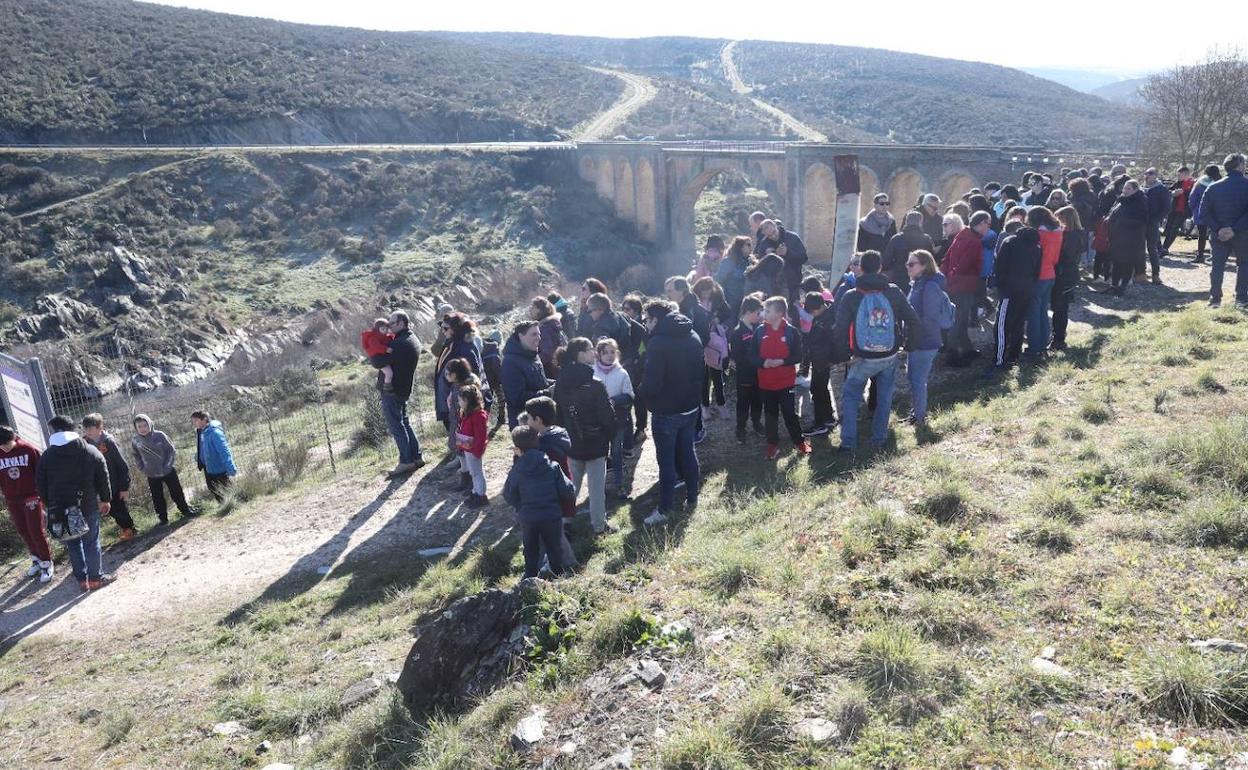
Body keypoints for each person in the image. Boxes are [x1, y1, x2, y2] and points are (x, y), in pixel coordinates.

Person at [832, 251, 919, 452]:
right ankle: (879, 439)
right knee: (885, 396)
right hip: (889, 354)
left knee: (851, 396)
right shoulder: (894, 292)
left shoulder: (851, 295)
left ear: (861, 268)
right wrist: (908, 345)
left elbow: (840, 328)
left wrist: (845, 355)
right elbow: (913, 320)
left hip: (862, 356)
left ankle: (848, 443)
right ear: (880, 267)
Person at [637, 300, 702, 526]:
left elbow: (653, 383)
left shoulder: (658, 343)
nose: (645, 325)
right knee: (688, 451)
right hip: (691, 406)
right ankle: (693, 498)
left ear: (655, 319)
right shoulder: (692, 334)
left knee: (666, 462)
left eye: (647, 320)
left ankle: (664, 509)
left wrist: (641, 393)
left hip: (667, 411)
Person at [37, 415, 112, 591]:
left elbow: (40, 484)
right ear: (73, 428)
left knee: (72, 544)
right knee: (91, 542)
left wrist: (49, 505)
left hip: (60, 509)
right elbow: (103, 475)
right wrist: (105, 498)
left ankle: (82, 580)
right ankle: (96, 578)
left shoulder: (47, 456)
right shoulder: (89, 450)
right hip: (87, 504)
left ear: (54, 431)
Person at [554, 338, 616, 536]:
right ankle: (599, 526)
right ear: (580, 354)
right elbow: (607, 417)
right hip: (596, 443)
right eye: (590, 349)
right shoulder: (595, 385)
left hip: (571, 443)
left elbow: (558, 417)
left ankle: (564, 522)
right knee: (596, 489)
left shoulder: (560, 384)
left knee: (571, 486)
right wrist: (611, 436)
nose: (594, 353)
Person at [503, 425, 574, 579]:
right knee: (554, 549)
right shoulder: (552, 466)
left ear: (518, 448)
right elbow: (568, 490)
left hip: (528, 518)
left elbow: (508, 494)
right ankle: (558, 576)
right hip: (552, 516)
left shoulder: (517, 471)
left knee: (530, 551)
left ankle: (529, 580)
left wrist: (520, 507)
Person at [751, 296, 811, 459]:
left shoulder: (791, 332)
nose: (763, 313)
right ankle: (772, 445)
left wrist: (782, 361)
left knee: (789, 414)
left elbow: (798, 357)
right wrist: (764, 363)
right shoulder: (759, 331)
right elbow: (752, 356)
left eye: (767, 311)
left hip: (786, 383)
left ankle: (799, 442)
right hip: (765, 383)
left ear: (779, 313)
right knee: (770, 415)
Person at [522, 397, 578, 567]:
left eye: (529, 418)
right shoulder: (559, 435)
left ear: (538, 420)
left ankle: (566, 564)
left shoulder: (544, 447)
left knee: (552, 534)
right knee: (555, 533)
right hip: (560, 495)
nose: (528, 422)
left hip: (551, 498)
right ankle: (560, 563)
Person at [373, 310, 425, 478]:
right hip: (404, 389)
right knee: (405, 423)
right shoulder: (413, 339)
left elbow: (376, 361)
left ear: (402, 323)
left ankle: (406, 461)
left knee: (397, 425)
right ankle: (416, 457)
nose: (389, 327)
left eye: (392, 323)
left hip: (392, 390)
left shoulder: (399, 344)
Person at [0, 425, 53, 583]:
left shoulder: (28, 449)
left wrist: (42, 494)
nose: (5, 448)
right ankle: (36, 558)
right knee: (22, 530)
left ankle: (46, 562)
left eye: (7, 444)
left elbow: (42, 471)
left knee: (35, 529)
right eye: (1, 446)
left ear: (13, 438)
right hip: (11, 498)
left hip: (31, 496)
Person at [989, 218, 1041, 370]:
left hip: (1009, 291)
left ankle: (998, 360)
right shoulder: (1037, 246)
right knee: (1018, 323)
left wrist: (999, 284)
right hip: (1027, 289)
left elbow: (1000, 265)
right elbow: (1036, 271)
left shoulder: (1009, 242)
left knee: (1001, 325)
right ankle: (1014, 356)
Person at [1199, 153, 1248, 308]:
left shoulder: (1213, 187)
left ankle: (1215, 300)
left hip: (1218, 234)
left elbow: (1203, 213)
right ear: (1240, 165)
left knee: (1217, 266)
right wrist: (1234, 229)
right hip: (1242, 233)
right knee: (1244, 265)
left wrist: (1219, 228)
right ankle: (1241, 299)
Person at [905, 249, 946, 426]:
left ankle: (920, 418)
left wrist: (915, 336)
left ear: (924, 265)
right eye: (907, 263)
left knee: (918, 381)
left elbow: (930, 317)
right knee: (914, 379)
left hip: (925, 342)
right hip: (917, 341)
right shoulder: (918, 283)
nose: (908, 267)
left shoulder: (929, 286)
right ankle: (916, 413)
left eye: (912, 264)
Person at [81, 413, 136, 540]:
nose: (87, 431)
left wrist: (124, 487)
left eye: (90, 428)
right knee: (109, 509)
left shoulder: (109, 442)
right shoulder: (84, 443)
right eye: (85, 428)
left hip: (114, 484)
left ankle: (129, 529)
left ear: (100, 427)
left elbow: (122, 466)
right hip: (98, 485)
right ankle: (125, 528)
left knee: (119, 508)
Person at [131, 414, 194, 523]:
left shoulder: (160, 435)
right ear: (136, 428)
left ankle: (185, 510)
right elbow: (136, 455)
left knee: (176, 491)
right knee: (157, 497)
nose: (143, 429)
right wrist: (143, 468)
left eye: (145, 425)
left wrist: (167, 466)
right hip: (151, 474)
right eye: (139, 427)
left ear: (150, 424)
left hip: (168, 471)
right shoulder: (136, 440)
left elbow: (171, 451)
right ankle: (163, 519)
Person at [593, 338, 634, 500]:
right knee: (600, 455)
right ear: (599, 354)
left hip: (618, 420)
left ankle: (619, 484)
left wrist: (615, 400)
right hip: (598, 422)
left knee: (616, 452)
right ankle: (599, 488)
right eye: (606, 352)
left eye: (612, 352)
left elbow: (630, 395)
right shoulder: (592, 372)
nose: (610, 356)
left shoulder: (622, 373)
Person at [941, 212, 984, 366]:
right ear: (980, 224)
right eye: (987, 223)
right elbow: (966, 265)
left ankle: (966, 349)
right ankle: (952, 356)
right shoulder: (974, 241)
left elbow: (946, 259)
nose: (988, 227)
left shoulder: (961, 236)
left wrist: (945, 276)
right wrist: (953, 275)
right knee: (959, 321)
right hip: (964, 285)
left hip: (953, 284)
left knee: (960, 319)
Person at [434, 313, 483, 430]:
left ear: (455, 330)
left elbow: (472, 376)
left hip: (460, 403)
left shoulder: (464, 348)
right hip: (450, 401)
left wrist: (459, 397)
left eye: (445, 328)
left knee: (462, 438)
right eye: (441, 327)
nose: (443, 331)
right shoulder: (451, 344)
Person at [501, 321, 553, 430]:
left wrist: (555, 383)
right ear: (521, 336)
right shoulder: (510, 362)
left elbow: (538, 380)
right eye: (534, 334)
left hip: (541, 421)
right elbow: (516, 398)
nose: (538, 338)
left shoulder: (533, 355)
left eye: (539, 334)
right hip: (524, 426)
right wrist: (547, 393)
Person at [692, 276, 731, 419]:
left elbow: (727, 312)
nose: (705, 294)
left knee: (717, 374)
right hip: (701, 341)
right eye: (703, 292)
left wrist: (718, 319)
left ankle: (721, 404)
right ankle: (705, 406)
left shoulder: (718, 299)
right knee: (704, 376)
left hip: (715, 341)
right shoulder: (693, 302)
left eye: (708, 291)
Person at [1026, 207, 1064, 356]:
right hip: (1050, 273)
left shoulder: (1039, 234)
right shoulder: (1058, 231)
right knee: (1043, 310)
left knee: (1033, 312)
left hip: (1038, 275)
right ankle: (1043, 343)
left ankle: (1034, 347)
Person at [729, 294, 765, 442]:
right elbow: (738, 356)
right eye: (758, 313)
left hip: (759, 374)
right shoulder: (737, 332)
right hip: (745, 375)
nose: (760, 316)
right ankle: (741, 428)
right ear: (748, 312)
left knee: (758, 400)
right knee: (744, 403)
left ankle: (757, 423)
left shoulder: (759, 328)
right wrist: (756, 361)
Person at [800, 292, 838, 437]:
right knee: (822, 389)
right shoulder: (827, 315)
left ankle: (819, 424)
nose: (812, 314)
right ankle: (829, 417)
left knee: (817, 390)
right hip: (821, 360)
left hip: (822, 360)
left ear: (820, 307)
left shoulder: (826, 322)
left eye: (813, 311)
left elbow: (828, 343)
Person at [443, 358, 482, 492]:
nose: (446, 375)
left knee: (464, 453)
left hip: (462, 426)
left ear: (455, 374)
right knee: (461, 452)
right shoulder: (459, 385)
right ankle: (466, 478)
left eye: (448, 373)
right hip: (458, 424)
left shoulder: (463, 388)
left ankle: (469, 481)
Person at [1106, 179, 1149, 297]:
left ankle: (1123, 286)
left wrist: (1122, 222)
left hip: (1131, 238)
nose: (1125, 190)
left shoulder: (1140, 201)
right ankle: (1114, 285)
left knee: (1127, 263)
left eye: (1128, 189)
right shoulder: (1121, 200)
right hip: (1117, 237)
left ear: (1135, 190)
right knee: (1116, 262)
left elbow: (1142, 220)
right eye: (1124, 188)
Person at [753, 219, 808, 303]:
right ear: (765, 235)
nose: (773, 236)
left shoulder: (792, 237)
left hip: (792, 284)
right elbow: (760, 266)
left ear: (776, 227)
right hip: (773, 286)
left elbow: (804, 258)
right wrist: (767, 257)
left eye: (774, 232)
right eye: (770, 236)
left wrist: (787, 253)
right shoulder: (764, 244)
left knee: (793, 312)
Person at [454, 384, 490, 508]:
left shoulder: (479, 416)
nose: (458, 402)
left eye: (460, 400)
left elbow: (481, 436)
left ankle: (481, 496)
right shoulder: (466, 413)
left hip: (474, 450)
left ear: (467, 400)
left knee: (477, 473)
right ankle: (476, 491)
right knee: (473, 472)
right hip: (468, 448)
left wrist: (477, 451)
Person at [620, 295, 649, 448]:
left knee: (639, 400)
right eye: (622, 308)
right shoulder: (622, 324)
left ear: (636, 311)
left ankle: (641, 429)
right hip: (626, 368)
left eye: (627, 309)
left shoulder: (641, 327)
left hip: (638, 370)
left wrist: (638, 365)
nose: (624, 312)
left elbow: (644, 350)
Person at [882, 210, 933, 293]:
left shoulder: (897, 238)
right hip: (920, 278)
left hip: (899, 278)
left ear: (906, 222)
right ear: (920, 223)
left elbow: (886, 262)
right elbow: (931, 260)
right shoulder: (926, 239)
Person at [192, 410, 237, 500]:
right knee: (213, 489)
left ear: (204, 419)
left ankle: (232, 505)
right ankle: (224, 506)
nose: (193, 423)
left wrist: (230, 466)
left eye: (195, 420)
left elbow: (224, 450)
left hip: (218, 467)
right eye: (192, 421)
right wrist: (198, 456)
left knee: (225, 489)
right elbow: (203, 447)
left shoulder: (214, 432)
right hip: (208, 467)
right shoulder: (202, 432)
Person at [1187, 164, 1222, 265]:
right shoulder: (1220, 182)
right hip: (1217, 212)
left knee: (1202, 235)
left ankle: (1200, 255)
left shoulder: (1200, 182)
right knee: (1216, 233)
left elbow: (1192, 197)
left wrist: (1193, 209)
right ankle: (1216, 255)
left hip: (1201, 211)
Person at [714, 235, 754, 321]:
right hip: (732, 300)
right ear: (740, 247)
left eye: (751, 244)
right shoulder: (729, 261)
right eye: (748, 245)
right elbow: (718, 280)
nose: (751, 247)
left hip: (747, 300)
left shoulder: (751, 261)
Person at [1143, 167, 1170, 283]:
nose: (1149, 176)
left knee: (1152, 249)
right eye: (1147, 174)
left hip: (1152, 223)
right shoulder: (1141, 188)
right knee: (1139, 249)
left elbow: (1166, 208)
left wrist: (1156, 220)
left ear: (1155, 176)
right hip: (1140, 222)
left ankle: (1155, 274)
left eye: (1151, 174)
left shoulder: (1161, 189)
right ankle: (1140, 273)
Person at [665, 276, 710, 346]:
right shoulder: (668, 310)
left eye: (670, 291)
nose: (667, 295)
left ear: (681, 291)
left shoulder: (698, 312)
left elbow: (704, 338)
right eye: (666, 291)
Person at [529, 297, 567, 378]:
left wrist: (533, 364)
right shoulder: (552, 324)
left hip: (551, 371)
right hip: (560, 368)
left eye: (533, 307)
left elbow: (547, 352)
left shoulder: (544, 328)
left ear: (540, 310)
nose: (530, 309)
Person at [1162, 166, 1195, 254]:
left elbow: (1194, 195)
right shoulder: (1178, 183)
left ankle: (1165, 247)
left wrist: (1184, 192)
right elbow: (1168, 191)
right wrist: (1173, 193)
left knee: (1174, 227)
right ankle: (1163, 247)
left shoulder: (1193, 183)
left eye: (1180, 175)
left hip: (1185, 210)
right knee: (1169, 227)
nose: (1178, 176)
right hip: (1174, 208)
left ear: (1186, 174)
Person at [360, 317, 395, 392]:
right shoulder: (373, 338)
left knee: (389, 372)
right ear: (377, 329)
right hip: (377, 359)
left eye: (386, 329)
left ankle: (385, 386)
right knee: (389, 373)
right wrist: (386, 349)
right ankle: (387, 387)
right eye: (383, 329)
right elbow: (376, 346)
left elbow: (390, 340)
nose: (385, 331)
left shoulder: (386, 336)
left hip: (381, 358)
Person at [481, 330, 505, 429]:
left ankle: (483, 421)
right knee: (501, 399)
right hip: (495, 381)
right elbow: (498, 370)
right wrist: (502, 381)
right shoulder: (495, 353)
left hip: (484, 381)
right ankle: (501, 418)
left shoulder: (483, 349)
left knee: (486, 402)